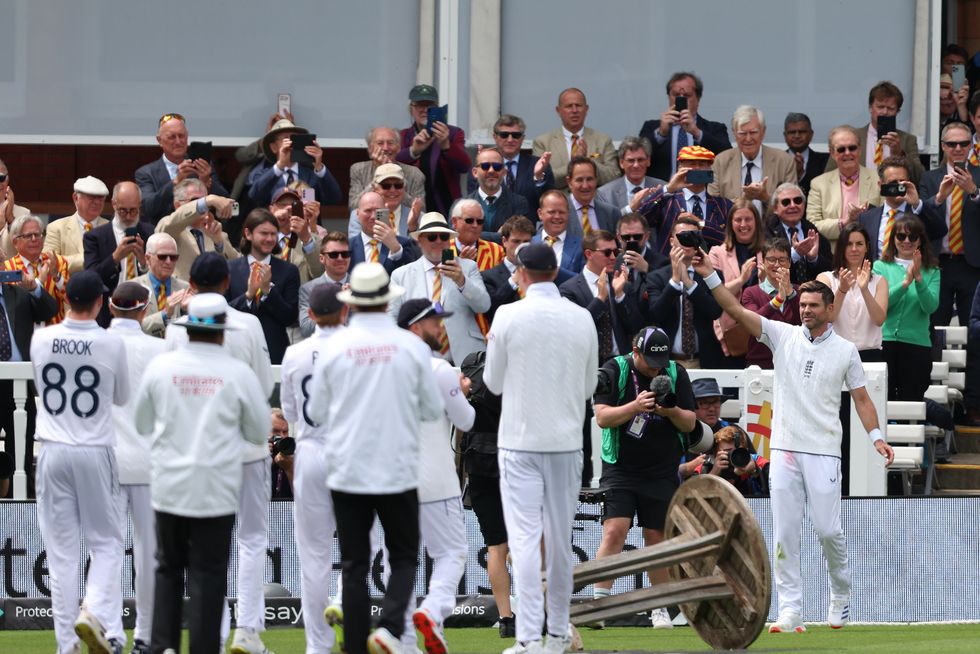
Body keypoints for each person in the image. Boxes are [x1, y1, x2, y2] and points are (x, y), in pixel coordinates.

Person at [693, 257, 895, 633]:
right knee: (785, 533)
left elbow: (863, 400)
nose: (805, 310)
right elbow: (733, 307)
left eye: (813, 305)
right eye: (801, 305)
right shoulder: (781, 334)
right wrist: (708, 273)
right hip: (784, 448)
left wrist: (877, 438)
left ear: (830, 309)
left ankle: (840, 595)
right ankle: (791, 610)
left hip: (824, 451)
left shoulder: (846, 351)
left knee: (828, 530)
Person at [307, 262, 444, 654]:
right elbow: (433, 410)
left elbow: (316, 411)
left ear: (351, 304)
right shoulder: (412, 347)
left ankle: (355, 647)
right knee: (403, 555)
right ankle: (387, 625)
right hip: (396, 465)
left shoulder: (334, 347)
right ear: (387, 301)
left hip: (348, 467)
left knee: (353, 565)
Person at [134, 294, 270, 654]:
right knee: (208, 574)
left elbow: (141, 423)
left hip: (170, 486)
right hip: (215, 486)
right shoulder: (237, 373)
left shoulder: (162, 368)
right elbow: (259, 432)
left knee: (168, 568)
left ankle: (162, 645)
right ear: (223, 333)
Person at [484, 242, 597, 653]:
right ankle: (556, 633)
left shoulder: (508, 314)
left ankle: (531, 638)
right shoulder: (582, 316)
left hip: (520, 441)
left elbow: (493, 383)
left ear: (524, 273)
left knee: (526, 540)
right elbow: (588, 388)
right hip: (566, 442)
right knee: (559, 541)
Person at [163, 253, 276, 654]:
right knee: (249, 539)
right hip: (243, 447)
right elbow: (263, 387)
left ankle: (230, 625)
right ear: (228, 283)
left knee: (210, 544)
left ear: (191, 283)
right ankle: (246, 629)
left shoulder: (179, 328)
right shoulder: (248, 324)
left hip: (200, 446)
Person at [31, 270, 129, 654]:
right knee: (107, 543)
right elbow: (121, 397)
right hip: (94, 447)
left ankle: (66, 644)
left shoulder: (42, 338)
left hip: (52, 449)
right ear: (101, 302)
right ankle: (95, 608)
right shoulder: (111, 343)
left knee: (62, 554)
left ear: (65, 299)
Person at [592, 326, 696, 629]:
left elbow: (690, 423)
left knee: (656, 538)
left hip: (662, 470)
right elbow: (602, 417)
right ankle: (599, 604)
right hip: (620, 467)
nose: (655, 368)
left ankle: (660, 606)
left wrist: (669, 411)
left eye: (659, 362)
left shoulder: (676, 372)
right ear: (635, 352)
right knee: (615, 531)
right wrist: (635, 406)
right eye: (650, 361)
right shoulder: (615, 369)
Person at [396, 299, 476, 654]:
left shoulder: (384, 367)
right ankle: (433, 609)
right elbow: (466, 421)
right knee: (453, 552)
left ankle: (402, 638)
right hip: (436, 478)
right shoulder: (440, 369)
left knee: (400, 558)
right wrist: (464, 391)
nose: (439, 327)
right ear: (415, 327)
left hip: (394, 477)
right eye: (432, 322)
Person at [279, 283, 348, 654]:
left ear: (310, 315)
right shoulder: (353, 349)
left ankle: (318, 645)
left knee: (313, 552)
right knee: (360, 540)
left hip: (310, 451)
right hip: (348, 450)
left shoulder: (295, 353)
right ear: (344, 312)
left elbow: (289, 413)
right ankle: (342, 596)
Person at [107, 282, 167, 654]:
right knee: (148, 554)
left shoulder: (97, 344)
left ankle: (112, 632)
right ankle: (143, 635)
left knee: (107, 550)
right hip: (148, 463)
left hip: (109, 460)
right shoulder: (160, 350)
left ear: (112, 309)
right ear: (144, 310)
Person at [918, 122, 980, 422]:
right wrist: (940, 198)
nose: (958, 149)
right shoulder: (929, 178)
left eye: (963, 144)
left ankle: (972, 403)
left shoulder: (978, 176)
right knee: (931, 333)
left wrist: (974, 191)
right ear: (942, 146)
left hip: (970, 265)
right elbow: (917, 217)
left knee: (974, 335)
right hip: (936, 265)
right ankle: (932, 404)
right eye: (952, 144)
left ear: (971, 145)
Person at [388, 212, 491, 365]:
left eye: (443, 237)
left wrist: (462, 281)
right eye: (432, 237)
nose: (438, 241)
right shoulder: (401, 275)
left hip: (466, 359)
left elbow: (483, 306)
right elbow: (391, 319)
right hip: (421, 359)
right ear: (419, 241)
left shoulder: (467, 267)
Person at [0, 251, 58, 499]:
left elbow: (49, 309)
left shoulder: (18, 294)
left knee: (20, 451)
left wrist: (34, 286)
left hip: (18, 385)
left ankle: (16, 508)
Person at [872, 215, 941, 400]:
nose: (907, 241)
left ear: (920, 240)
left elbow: (930, 307)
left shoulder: (932, 271)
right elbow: (881, 305)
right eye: (901, 236)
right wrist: (905, 283)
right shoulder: (880, 267)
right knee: (882, 402)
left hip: (916, 345)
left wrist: (918, 280)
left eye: (913, 237)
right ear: (893, 239)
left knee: (911, 403)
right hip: (884, 343)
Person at [644, 215, 724, 369]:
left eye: (692, 236)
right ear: (672, 241)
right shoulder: (657, 277)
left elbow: (715, 311)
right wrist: (675, 281)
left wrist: (689, 283)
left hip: (704, 360)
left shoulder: (711, 274)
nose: (687, 241)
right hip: (668, 362)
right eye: (682, 236)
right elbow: (655, 314)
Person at [226, 208, 300, 364]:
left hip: (274, 352)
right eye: (264, 233)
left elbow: (290, 317)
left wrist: (268, 292)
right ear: (248, 234)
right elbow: (223, 312)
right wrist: (248, 295)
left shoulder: (288, 271)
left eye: (273, 234)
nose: (269, 239)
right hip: (237, 351)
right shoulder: (230, 269)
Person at [559, 230, 643, 366]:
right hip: (588, 364)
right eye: (606, 252)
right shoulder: (569, 289)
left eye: (616, 252)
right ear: (589, 254)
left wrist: (620, 295)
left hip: (621, 363)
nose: (612, 257)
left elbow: (635, 327)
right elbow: (575, 328)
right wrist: (600, 299)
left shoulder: (622, 284)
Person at [135, 112, 230, 224]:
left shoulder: (201, 166)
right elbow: (148, 208)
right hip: (164, 235)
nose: (178, 142)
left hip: (200, 232)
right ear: (159, 140)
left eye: (181, 136)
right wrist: (175, 182)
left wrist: (206, 182)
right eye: (172, 137)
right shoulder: (146, 173)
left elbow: (226, 203)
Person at [633, 145, 732, 254]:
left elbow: (730, 241)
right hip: (671, 267)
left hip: (710, 267)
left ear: (710, 169)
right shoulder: (666, 200)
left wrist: (701, 224)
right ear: (680, 168)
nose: (697, 168)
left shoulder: (724, 205)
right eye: (691, 164)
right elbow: (639, 220)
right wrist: (668, 188)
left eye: (702, 164)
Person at [639, 71, 732, 180]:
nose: (681, 99)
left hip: (700, 191)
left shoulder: (715, 129)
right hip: (664, 191)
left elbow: (728, 158)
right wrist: (661, 134)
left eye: (687, 96)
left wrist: (697, 133)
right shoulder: (651, 127)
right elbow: (639, 158)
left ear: (698, 98)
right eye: (676, 95)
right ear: (669, 96)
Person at [826, 81, 924, 183]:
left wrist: (899, 153)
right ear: (870, 108)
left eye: (890, 108)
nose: (885, 112)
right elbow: (829, 175)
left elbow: (919, 177)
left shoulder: (907, 139)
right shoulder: (852, 137)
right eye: (880, 107)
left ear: (897, 111)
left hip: (893, 195)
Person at [817, 223, 889, 361]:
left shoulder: (880, 281)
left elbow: (879, 320)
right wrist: (842, 290)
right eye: (849, 244)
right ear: (841, 248)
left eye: (859, 244)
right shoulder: (825, 278)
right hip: (836, 353)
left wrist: (864, 289)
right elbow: (828, 318)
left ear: (867, 247)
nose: (854, 249)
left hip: (870, 354)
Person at [396, 84, 471, 215]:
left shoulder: (453, 133)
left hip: (446, 205)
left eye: (429, 105)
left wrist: (446, 145)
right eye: (420, 105)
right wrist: (414, 151)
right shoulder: (404, 135)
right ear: (411, 109)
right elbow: (394, 165)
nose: (424, 110)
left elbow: (464, 166)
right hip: (412, 205)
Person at [708, 105, 797, 215]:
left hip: (772, 231)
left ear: (763, 131)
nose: (748, 139)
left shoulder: (784, 161)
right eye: (742, 133)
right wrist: (744, 199)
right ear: (734, 133)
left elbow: (792, 210)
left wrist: (766, 198)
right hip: (731, 230)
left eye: (753, 132)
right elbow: (712, 207)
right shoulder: (720, 162)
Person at [708, 199, 765, 364]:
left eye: (748, 219)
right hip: (729, 333)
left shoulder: (767, 251)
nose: (743, 224)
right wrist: (741, 280)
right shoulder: (717, 253)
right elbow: (714, 294)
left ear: (756, 222)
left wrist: (763, 280)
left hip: (760, 330)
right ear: (730, 224)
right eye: (738, 220)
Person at [858, 155, 947, 260]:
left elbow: (940, 230)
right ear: (881, 185)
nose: (898, 186)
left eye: (902, 182)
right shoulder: (867, 218)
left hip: (910, 273)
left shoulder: (918, 213)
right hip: (877, 273)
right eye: (893, 183)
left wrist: (917, 204)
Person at [806, 126, 882, 248]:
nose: (847, 153)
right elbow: (812, 226)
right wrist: (845, 222)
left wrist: (864, 217)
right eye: (841, 149)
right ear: (832, 153)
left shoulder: (878, 179)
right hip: (832, 255)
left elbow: (886, 219)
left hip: (869, 252)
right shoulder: (818, 184)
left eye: (852, 148)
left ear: (860, 150)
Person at [532, 87, 619, 189]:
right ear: (558, 111)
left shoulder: (603, 140)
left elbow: (614, 178)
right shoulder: (542, 142)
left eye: (578, 106)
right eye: (569, 106)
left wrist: (588, 162)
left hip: (592, 202)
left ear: (586, 109)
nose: (574, 110)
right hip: (558, 202)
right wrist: (573, 163)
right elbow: (541, 180)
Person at [154, 179, 241, 280]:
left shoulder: (216, 231)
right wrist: (209, 200)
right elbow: (170, 224)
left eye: (204, 201)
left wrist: (218, 244)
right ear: (177, 206)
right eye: (195, 200)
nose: (204, 206)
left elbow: (237, 264)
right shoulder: (169, 227)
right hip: (182, 293)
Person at [466, 114, 554, 213]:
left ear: (522, 138)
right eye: (504, 135)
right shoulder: (482, 167)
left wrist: (538, 178)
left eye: (516, 135)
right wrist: (484, 170)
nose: (510, 140)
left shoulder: (539, 165)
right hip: (492, 226)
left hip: (527, 225)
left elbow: (549, 201)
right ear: (495, 137)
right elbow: (474, 200)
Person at [247, 118, 342, 208]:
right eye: (286, 139)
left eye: (294, 139)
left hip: (307, 224)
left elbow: (333, 198)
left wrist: (319, 167)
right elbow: (254, 196)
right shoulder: (263, 174)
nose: (291, 143)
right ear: (274, 147)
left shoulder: (311, 174)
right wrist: (280, 165)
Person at [740, 238, 802, 369]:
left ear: (789, 263)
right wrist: (778, 300)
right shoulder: (750, 292)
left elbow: (804, 323)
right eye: (772, 259)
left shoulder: (800, 291)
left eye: (782, 259)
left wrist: (791, 295)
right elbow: (754, 322)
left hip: (794, 362)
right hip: (760, 364)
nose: (777, 264)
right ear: (763, 262)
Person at [3, 214, 70, 324]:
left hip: (53, 332)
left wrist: (56, 276)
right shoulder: (8, 268)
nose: (34, 239)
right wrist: (39, 281)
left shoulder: (57, 262)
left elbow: (71, 299)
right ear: (15, 242)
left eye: (37, 234)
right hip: (23, 334)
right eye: (28, 236)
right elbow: (14, 305)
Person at [765, 183, 832, 285]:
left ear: (804, 205)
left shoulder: (812, 230)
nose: (793, 205)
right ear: (775, 208)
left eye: (798, 201)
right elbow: (769, 269)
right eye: (786, 202)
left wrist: (813, 259)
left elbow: (830, 270)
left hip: (812, 295)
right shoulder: (767, 231)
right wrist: (795, 255)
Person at [349, 126, 426, 212]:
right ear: (370, 149)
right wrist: (379, 175)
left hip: (404, 222)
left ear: (398, 148)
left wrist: (397, 185)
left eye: (390, 143)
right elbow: (353, 207)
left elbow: (421, 211)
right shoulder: (359, 170)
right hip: (370, 221)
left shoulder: (414, 174)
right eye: (380, 143)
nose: (385, 148)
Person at [43, 176, 109, 274]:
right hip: (68, 287)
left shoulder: (111, 227)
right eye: (91, 197)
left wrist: (66, 261)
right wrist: (91, 258)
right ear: (75, 197)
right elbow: (48, 263)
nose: (97, 202)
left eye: (100, 198)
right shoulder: (56, 228)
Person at [132, 233, 190, 338]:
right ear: (148, 258)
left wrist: (186, 311)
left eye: (173, 257)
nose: (168, 262)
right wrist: (164, 315)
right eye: (162, 257)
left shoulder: (185, 288)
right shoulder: (133, 288)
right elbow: (132, 327)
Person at [349, 190, 420, 274]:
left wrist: (396, 249)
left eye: (378, 211)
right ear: (357, 213)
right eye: (368, 211)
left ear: (387, 212)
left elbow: (413, 272)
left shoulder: (403, 244)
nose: (373, 216)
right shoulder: (348, 246)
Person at [481, 215, 535, 326]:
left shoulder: (539, 273)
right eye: (516, 241)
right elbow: (490, 311)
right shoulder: (488, 276)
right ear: (504, 241)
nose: (521, 247)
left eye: (526, 242)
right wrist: (513, 281)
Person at [347, 163, 424, 240]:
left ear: (404, 188)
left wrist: (412, 227)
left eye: (398, 185)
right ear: (374, 188)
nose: (393, 190)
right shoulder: (360, 216)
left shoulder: (418, 217)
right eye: (386, 186)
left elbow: (419, 250)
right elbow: (357, 249)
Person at [298, 231, 352, 338]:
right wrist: (338, 304)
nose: (340, 258)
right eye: (334, 255)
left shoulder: (361, 287)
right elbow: (306, 329)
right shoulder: (309, 289)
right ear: (322, 259)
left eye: (345, 254)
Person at [467, 147, 530, 235]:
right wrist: (499, 236)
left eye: (497, 167)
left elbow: (519, 238)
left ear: (504, 172)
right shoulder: (462, 205)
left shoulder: (519, 203)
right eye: (485, 166)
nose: (491, 170)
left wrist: (474, 235)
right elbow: (457, 238)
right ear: (475, 172)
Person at [597, 137, 666, 216]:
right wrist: (630, 208)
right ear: (621, 163)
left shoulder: (662, 187)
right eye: (630, 160)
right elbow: (608, 225)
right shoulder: (605, 193)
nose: (636, 165)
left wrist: (658, 199)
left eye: (640, 160)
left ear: (648, 161)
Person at [694, 425, 770, 498]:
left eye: (734, 452)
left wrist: (755, 472)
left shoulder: (759, 463)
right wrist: (713, 474)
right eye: (725, 453)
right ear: (716, 453)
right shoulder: (706, 466)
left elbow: (775, 492)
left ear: (744, 449)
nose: (731, 457)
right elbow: (692, 495)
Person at [532, 189, 584, 276]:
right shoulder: (529, 244)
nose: (557, 216)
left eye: (562, 212)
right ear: (540, 214)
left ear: (568, 214)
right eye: (552, 212)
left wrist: (556, 272)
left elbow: (584, 281)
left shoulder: (582, 246)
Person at [784, 113, 829, 195]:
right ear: (785, 136)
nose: (797, 136)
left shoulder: (827, 161)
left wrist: (801, 174)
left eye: (802, 132)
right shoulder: (775, 160)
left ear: (811, 134)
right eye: (792, 132)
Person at [0, 157, 33, 257]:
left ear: (7, 179)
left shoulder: (23, 213)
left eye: (1, 178)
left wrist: (11, 220)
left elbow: (28, 251)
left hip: (12, 271)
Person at [268, 409, 294, 500]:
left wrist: (290, 469)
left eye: (285, 432)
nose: (282, 437)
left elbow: (304, 498)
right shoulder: (254, 456)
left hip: (288, 512)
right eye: (276, 431)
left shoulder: (294, 458)